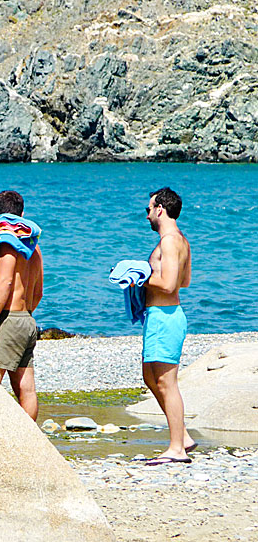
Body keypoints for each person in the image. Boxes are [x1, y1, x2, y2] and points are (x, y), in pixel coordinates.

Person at [141, 187, 195, 466]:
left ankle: (177, 448)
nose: (147, 216)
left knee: (166, 382)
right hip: (160, 315)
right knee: (150, 375)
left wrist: (140, 277)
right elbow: (184, 282)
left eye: (149, 209)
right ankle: (182, 435)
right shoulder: (180, 240)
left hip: (165, 315)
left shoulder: (171, 241)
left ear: (160, 209)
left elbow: (171, 285)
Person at [0, 190, 44, 421]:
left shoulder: (7, 243)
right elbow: (38, 291)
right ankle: (30, 444)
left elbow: (5, 281)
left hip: (8, 319)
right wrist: (24, 315)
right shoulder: (33, 247)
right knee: (26, 388)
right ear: (22, 214)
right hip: (27, 319)